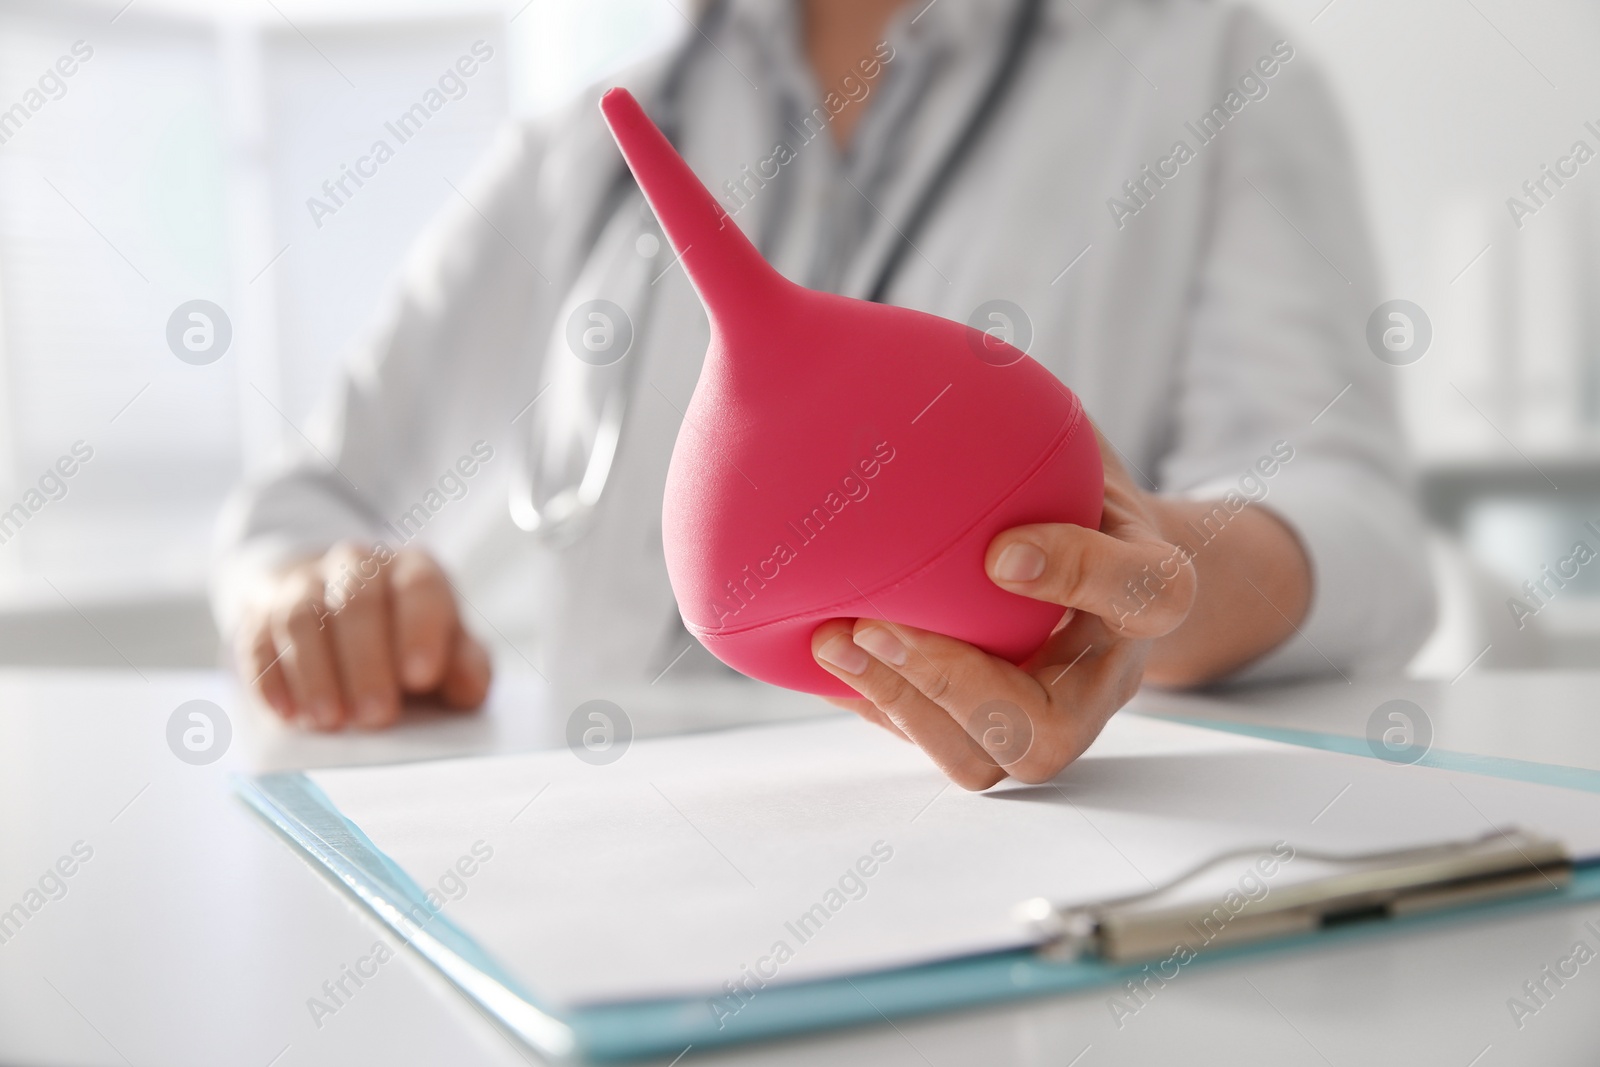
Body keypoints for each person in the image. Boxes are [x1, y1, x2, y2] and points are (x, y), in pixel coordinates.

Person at [213, 0, 1435, 788]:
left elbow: (1357, 521)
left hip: (997, 868)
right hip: (584, 860)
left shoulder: (1208, 80)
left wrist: (1154, 577)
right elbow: (303, 499)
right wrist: (315, 589)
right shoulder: (575, 151)